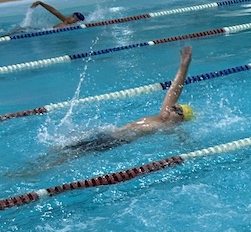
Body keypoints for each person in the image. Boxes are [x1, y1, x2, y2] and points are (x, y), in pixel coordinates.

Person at [51, 47, 196, 162]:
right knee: (62, 147)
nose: (171, 109)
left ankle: (42, 170)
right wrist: (183, 66)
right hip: (108, 133)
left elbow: (184, 141)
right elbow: (174, 90)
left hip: (115, 141)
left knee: (68, 156)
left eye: (177, 110)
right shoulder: (162, 116)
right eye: (174, 107)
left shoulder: (170, 127)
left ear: (181, 120)